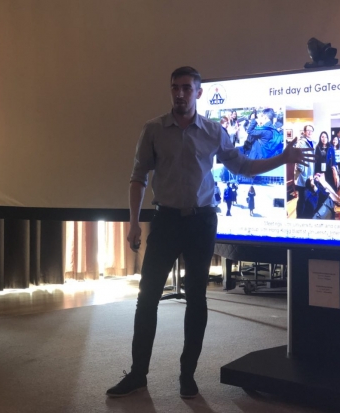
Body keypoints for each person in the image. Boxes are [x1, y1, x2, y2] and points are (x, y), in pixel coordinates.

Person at [106, 66, 314, 399]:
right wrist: (133, 223)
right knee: (147, 297)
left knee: (196, 298)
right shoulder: (153, 129)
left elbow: (243, 166)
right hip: (166, 221)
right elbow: (138, 177)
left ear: (198, 93)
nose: (179, 93)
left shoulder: (214, 132)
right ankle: (138, 374)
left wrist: (284, 157)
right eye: (175, 87)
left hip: (201, 222)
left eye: (186, 88)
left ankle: (187, 375)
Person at [294, 125, 315, 218]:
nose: (310, 132)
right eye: (308, 130)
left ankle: (305, 215)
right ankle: (299, 216)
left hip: (310, 173)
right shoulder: (301, 143)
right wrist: (301, 170)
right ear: (305, 131)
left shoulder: (313, 142)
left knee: (307, 196)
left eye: (311, 130)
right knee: (302, 198)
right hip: (303, 174)